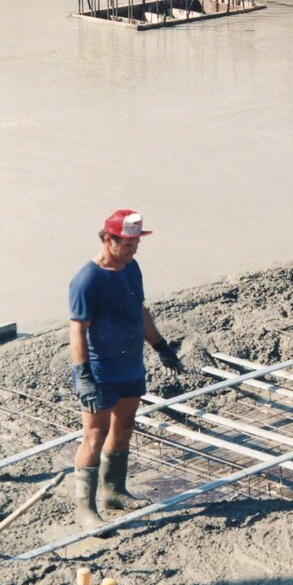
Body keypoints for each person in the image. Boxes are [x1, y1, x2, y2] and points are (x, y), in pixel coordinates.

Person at [68, 209, 183, 530]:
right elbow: (76, 330)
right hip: (101, 371)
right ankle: (85, 510)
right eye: (128, 244)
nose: (134, 250)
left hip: (130, 366)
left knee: (124, 427)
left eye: (136, 244)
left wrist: (161, 346)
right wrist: (84, 375)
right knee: (94, 435)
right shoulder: (87, 280)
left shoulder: (131, 269)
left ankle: (114, 491)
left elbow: (140, 310)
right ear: (108, 239)